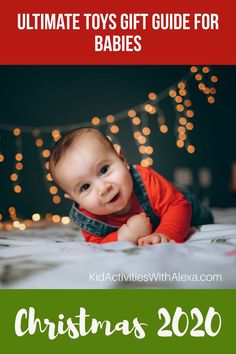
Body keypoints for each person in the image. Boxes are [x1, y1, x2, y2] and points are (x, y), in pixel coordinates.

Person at [49, 127, 213, 245]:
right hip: (145, 226)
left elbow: (178, 205)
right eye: (85, 187)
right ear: (75, 199)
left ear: (122, 159)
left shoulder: (146, 180)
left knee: (198, 215)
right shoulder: (88, 217)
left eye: (104, 170)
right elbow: (98, 243)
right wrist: (126, 235)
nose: (103, 188)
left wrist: (164, 234)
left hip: (184, 206)